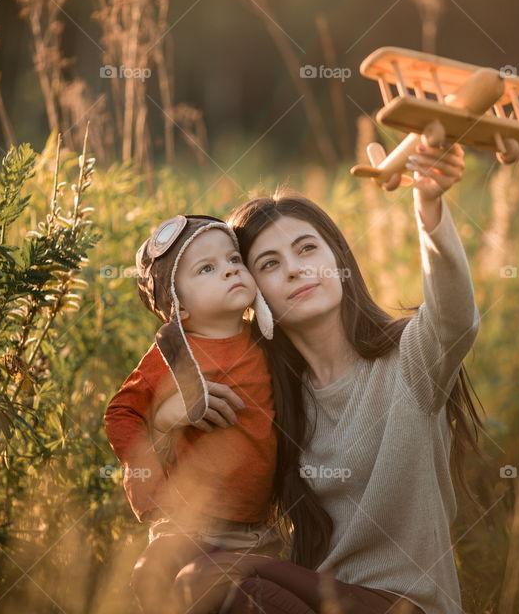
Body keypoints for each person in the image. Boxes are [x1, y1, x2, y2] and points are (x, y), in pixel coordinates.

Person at [155, 139, 485, 613]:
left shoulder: (411, 361)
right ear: (251, 293)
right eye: (269, 264)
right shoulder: (269, 399)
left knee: (228, 578)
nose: (295, 269)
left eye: (306, 248)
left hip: (405, 607)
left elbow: (457, 316)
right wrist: (169, 416)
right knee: (195, 577)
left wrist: (428, 207)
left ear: (338, 260)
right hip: (312, 602)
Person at [104, 214, 285, 613]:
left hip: (254, 527)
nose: (229, 271)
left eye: (234, 260)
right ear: (178, 304)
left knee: (245, 602)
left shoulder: (267, 344)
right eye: (208, 268)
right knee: (160, 582)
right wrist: (158, 437)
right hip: (186, 520)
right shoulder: (172, 356)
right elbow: (120, 413)